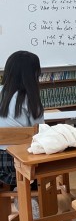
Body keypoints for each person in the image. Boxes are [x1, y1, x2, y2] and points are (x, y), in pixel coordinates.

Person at [0, 51, 44, 188]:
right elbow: (40, 132)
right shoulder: (30, 98)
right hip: (20, 164)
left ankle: (17, 190)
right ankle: (31, 193)